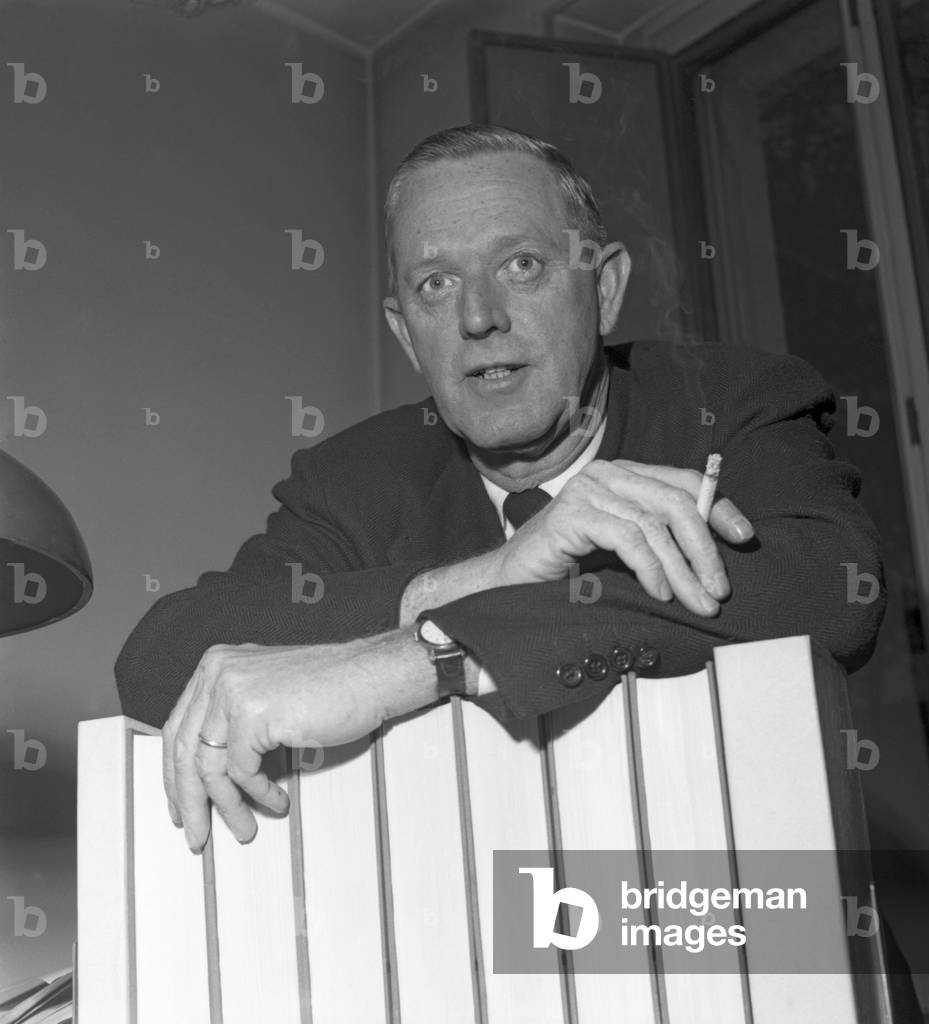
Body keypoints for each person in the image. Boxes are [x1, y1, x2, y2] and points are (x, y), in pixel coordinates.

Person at [116, 123, 886, 852]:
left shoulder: (728, 401)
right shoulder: (354, 478)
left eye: (520, 266)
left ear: (603, 288)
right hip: (483, 921)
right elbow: (160, 662)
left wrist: (431, 657)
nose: (479, 317)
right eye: (435, 284)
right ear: (405, 333)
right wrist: (486, 577)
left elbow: (827, 590)